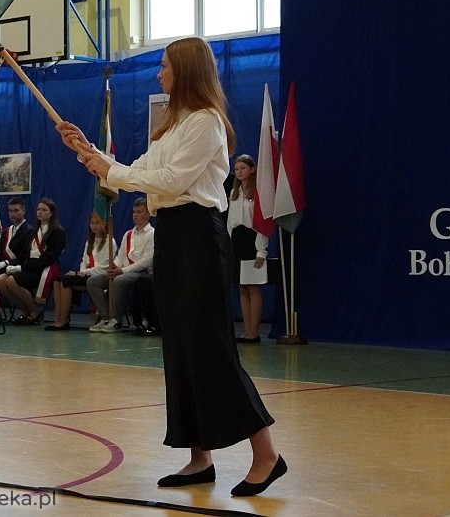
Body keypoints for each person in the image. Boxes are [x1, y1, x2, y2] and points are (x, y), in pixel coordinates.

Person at [58, 36, 286, 497]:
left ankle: (267, 453)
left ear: (185, 70)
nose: (159, 72)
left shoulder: (206, 123)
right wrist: (93, 155)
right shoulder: (172, 125)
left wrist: (112, 171)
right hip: (174, 238)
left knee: (210, 349)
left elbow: (171, 181)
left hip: (200, 237)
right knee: (180, 348)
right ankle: (198, 457)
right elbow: (139, 170)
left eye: (164, 65)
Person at [0, 197, 66, 325]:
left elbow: (49, 258)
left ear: (51, 213)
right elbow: (24, 256)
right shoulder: (34, 232)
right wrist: (12, 264)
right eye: (38, 209)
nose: (40, 212)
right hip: (30, 266)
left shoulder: (57, 232)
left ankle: (35, 311)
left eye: (44, 210)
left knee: (11, 280)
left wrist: (22, 267)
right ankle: (25, 309)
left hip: (44, 269)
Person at [87, 198, 155, 333]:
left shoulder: (152, 234)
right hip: (122, 270)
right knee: (93, 281)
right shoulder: (128, 234)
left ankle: (117, 320)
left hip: (141, 273)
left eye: (139, 212)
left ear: (148, 214)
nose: (135, 215)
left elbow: (147, 260)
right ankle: (106, 317)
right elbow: (121, 256)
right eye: (134, 212)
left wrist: (122, 270)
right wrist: (114, 266)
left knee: (119, 281)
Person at [227, 154, 269, 344]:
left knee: (253, 287)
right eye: (237, 169)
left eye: (243, 168)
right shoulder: (235, 192)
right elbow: (230, 221)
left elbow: (262, 223)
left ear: (252, 169)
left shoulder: (257, 192)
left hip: (252, 240)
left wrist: (261, 250)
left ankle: (254, 331)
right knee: (242, 287)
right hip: (237, 240)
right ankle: (246, 331)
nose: (240, 172)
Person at [48, 211, 114, 331]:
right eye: (92, 223)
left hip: (99, 276)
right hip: (87, 274)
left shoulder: (110, 242)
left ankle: (63, 320)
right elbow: (84, 261)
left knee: (66, 281)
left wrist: (83, 273)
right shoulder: (90, 242)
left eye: (97, 223)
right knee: (57, 280)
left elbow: (104, 267)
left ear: (104, 224)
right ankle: (58, 318)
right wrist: (81, 272)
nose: (94, 226)